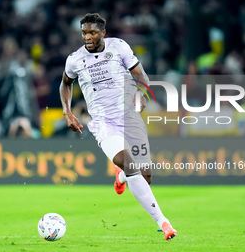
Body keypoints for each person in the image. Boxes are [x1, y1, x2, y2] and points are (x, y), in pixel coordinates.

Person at [60, 13, 177, 241]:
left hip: (129, 117)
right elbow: (66, 83)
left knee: (146, 176)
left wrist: (142, 95)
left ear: (103, 32)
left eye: (92, 32)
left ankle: (121, 177)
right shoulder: (75, 59)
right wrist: (67, 111)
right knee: (129, 162)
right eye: (84, 33)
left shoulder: (119, 47)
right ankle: (164, 223)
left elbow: (140, 75)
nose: (87, 37)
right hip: (104, 122)